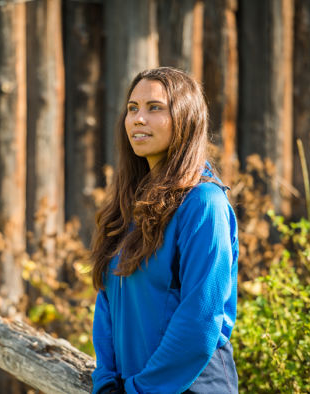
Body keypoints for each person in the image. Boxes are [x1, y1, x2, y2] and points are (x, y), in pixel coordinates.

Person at [90, 67, 239, 394]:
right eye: (132, 108)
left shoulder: (203, 204)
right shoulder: (129, 206)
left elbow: (200, 320)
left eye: (154, 107)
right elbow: (107, 299)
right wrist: (106, 381)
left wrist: (138, 389)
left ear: (185, 118)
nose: (138, 119)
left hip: (193, 386)